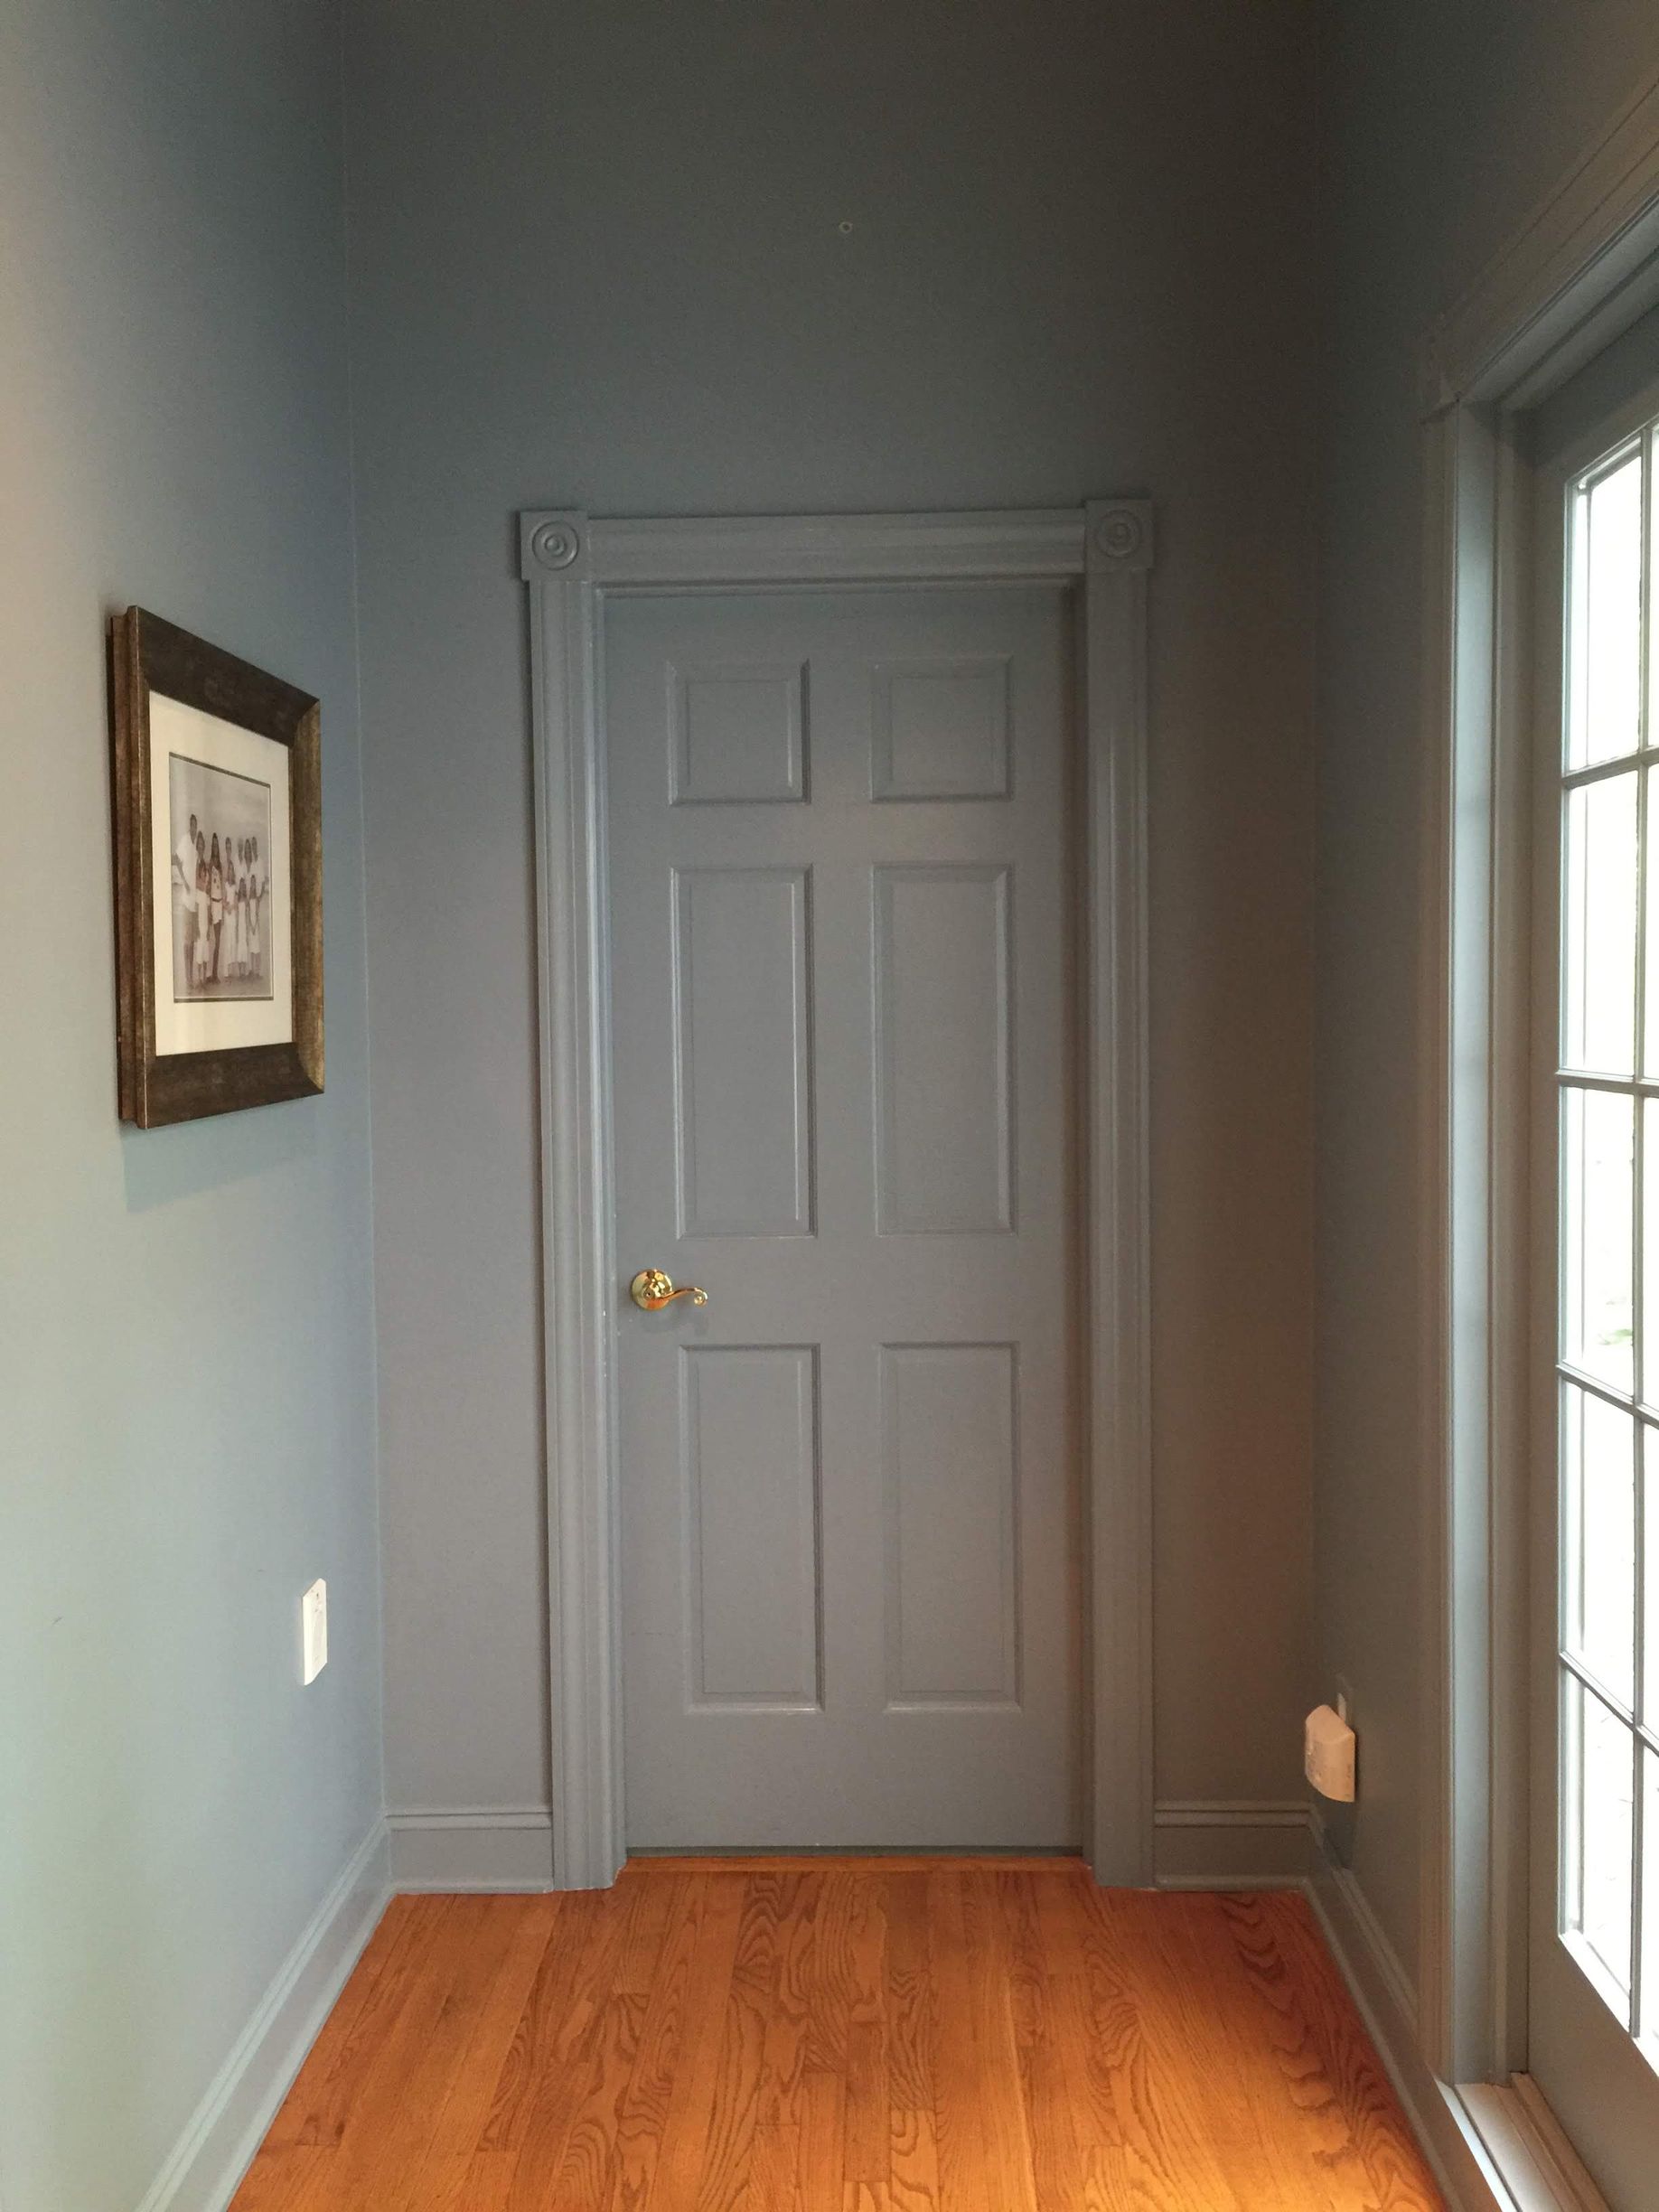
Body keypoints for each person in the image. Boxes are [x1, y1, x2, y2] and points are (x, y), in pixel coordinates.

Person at [172, 810, 200, 996]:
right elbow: (175, 859)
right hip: (186, 898)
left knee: (193, 941)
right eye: (192, 825)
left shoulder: (195, 845)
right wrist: (184, 882)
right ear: (189, 826)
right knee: (187, 941)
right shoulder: (184, 840)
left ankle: (191, 977)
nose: (194, 828)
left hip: (195, 899)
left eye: (196, 825)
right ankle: (187, 979)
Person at [192, 840, 212, 988]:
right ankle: (199, 978)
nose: (204, 874)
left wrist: (209, 929)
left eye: (206, 873)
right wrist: (197, 929)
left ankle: (205, 978)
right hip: (200, 927)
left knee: (205, 952)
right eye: (203, 873)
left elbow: (209, 913)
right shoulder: (198, 893)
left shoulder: (206, 894)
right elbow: (196, 912)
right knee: (199, 952)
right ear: (200, 875)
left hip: (206, 927)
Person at [208, 835, 225, 982]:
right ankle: (211, 974)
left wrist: (223, 910)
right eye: (213, 845)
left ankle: (214, 973)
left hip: (220, 904)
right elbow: (209, 888)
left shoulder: (220, 865)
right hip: (212, 904)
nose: (215, 847)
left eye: (216, 845)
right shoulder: (210, 864)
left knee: (218, 941)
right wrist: (209, 910)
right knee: (212, 940)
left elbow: (222, 887)